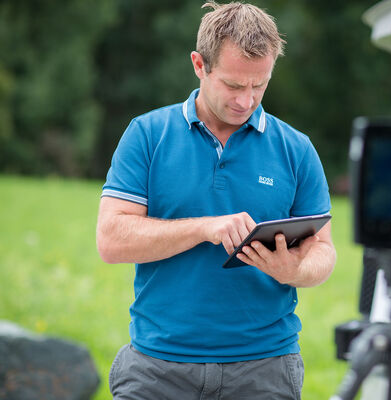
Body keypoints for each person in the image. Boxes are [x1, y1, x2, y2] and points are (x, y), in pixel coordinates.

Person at [95, 2, 336, 399]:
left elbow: (323, 252)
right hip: (157, 369)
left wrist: (293, 269)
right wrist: (205, 228)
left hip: (265, 370)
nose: (247, 100)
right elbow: (111, 240)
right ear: (199, 65)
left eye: (260, 85)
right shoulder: (147, 135)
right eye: (234, 85)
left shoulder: (297, 149)